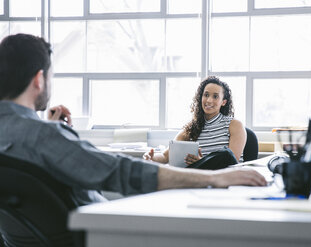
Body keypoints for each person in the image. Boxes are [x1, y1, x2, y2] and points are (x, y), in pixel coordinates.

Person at [0, 33, 266, 206]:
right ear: (39, 79)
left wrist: (56, 132)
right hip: (96, 230)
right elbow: (120, 172)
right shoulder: (44, 137)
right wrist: (215, 179)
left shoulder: (31, 134)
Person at [144, 76, 246, 169]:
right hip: (198, 177)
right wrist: (151, 158)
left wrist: (204, 162)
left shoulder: (234, 125)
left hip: (225, 176)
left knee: (226, 154)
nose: (209, 100)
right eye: (206, 95)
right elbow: (165, 156)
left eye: (215, 96)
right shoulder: (191, 129)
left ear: (223, 102)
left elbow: (231, 160)